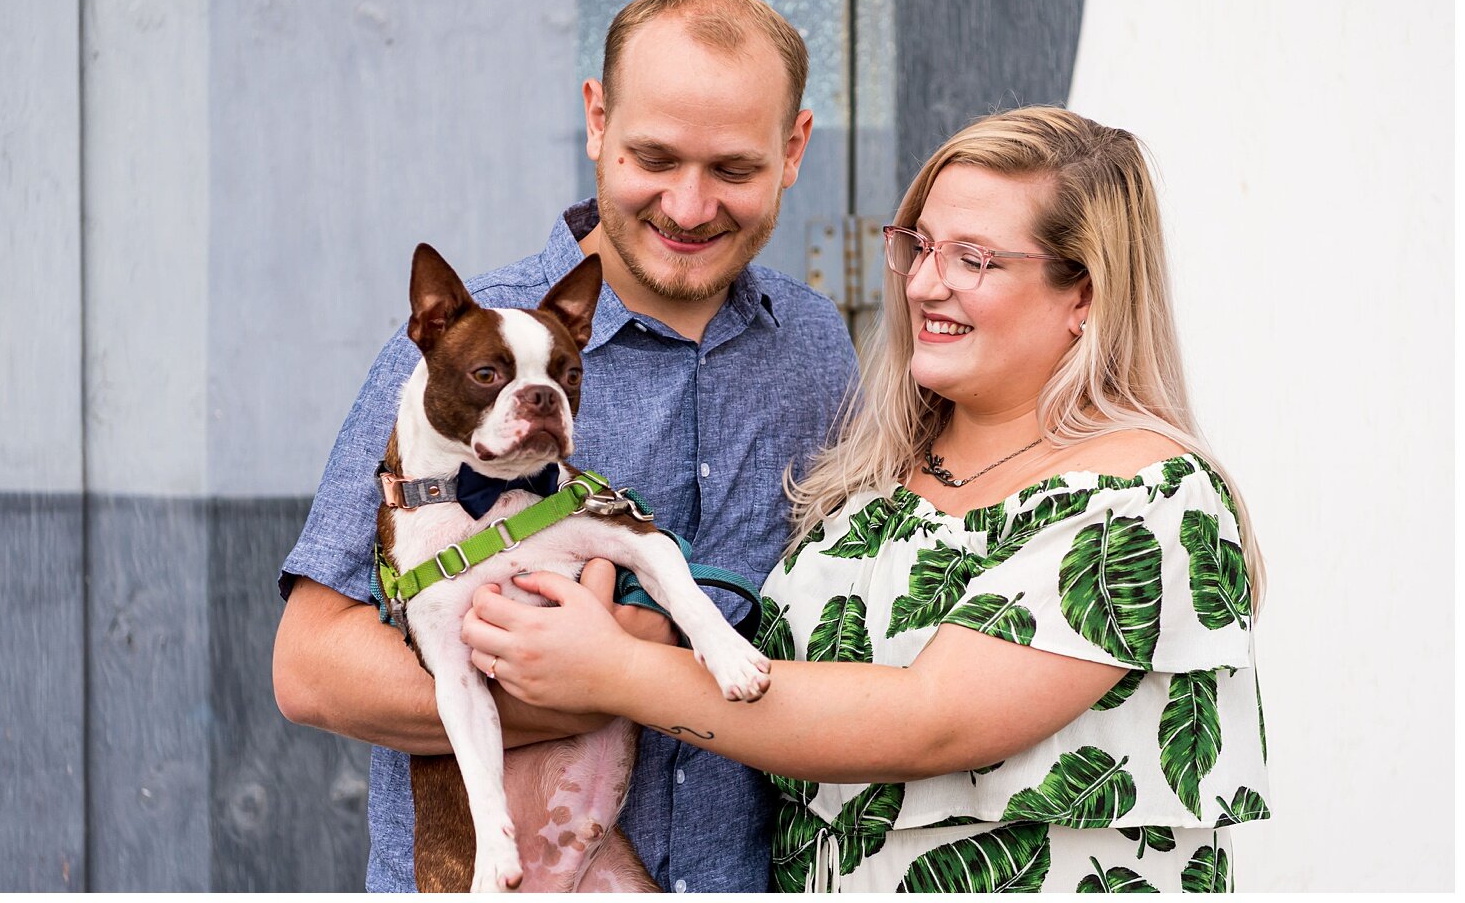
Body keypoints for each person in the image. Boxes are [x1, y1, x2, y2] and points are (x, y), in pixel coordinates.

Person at [462, 106, 1271, 892]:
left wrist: (614, 670)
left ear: (1085, 295)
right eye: (919, 247)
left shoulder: (1146, 496)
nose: (924, 284)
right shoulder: (870, 480)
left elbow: (932, 719)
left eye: (974, 260)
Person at [272, 0, 858, 893]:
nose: (691, 206)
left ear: (793, 149)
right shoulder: (460, 350)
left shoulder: (814, 343)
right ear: (595, 119)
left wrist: (633, 661)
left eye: (734, 170)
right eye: (653, 157)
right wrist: (586, 675)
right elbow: (311, 670)